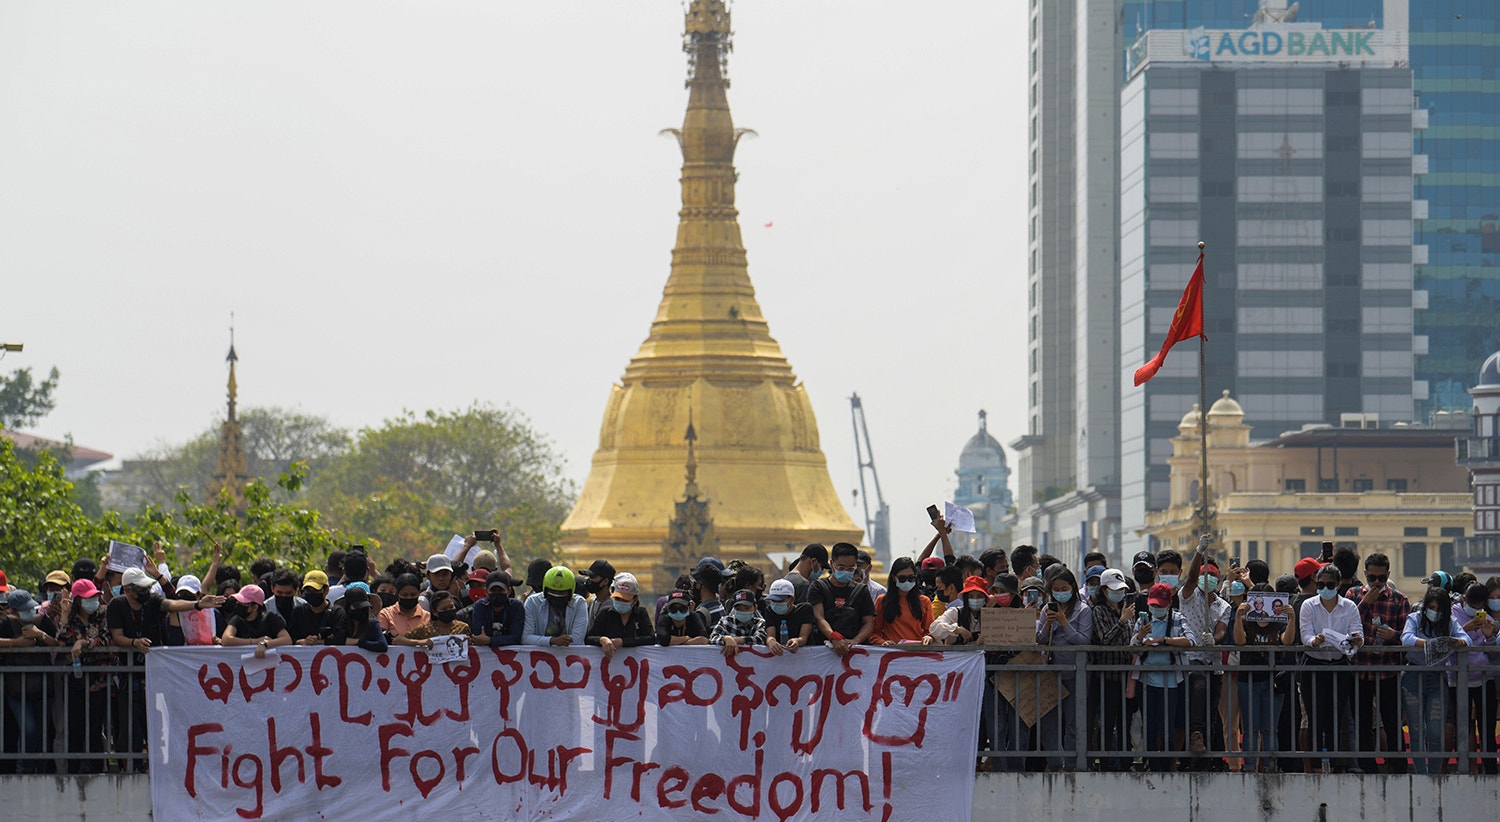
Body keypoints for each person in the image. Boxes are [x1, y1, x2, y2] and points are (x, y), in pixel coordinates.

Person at [1344, 552, 1409, 774]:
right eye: (1372, 578)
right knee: (1362, 723)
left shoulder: (1399, 600)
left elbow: (1406, 637)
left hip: (1387, 671)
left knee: (1391, 722)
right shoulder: (1352, 595)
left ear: (1388, 575)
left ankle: (1398, 766)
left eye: (1381, 579)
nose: (1377, 583)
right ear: (1365, 575)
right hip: (1359, 670)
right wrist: (1364, 603)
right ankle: (1367, 766)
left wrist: (1393, 635)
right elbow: (1344, 627)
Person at [1299, 565, 1364, 773]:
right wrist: (1314, 640)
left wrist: (1356, 640)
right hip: (1314, 664)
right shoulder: (1309, 605)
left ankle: (1335, 765)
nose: (1324, 588)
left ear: (1338, 585)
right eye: (1320, 585)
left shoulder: (1349, 606)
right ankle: (1316, 767)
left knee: (1336, 719)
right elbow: (1305, 634)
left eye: (1329, 585)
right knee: (1315, 718)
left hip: (1339, 664)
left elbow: (1357, 633)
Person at [1175, 537, 1230, 767]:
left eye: (1213, 576)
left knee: (1210, 707)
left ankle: (1207, 758)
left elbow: (1221, 630)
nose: (1208, 579)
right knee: (1199, 691)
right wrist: (1198, 552)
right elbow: (1190, 578)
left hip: (1213, 663)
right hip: (1191, 660)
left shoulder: (1222, 606)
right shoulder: (1188, 596)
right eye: (1204, 575)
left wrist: (1213, 641)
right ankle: (1195, 738)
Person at [1402, 587, 1468, 773]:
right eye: (1431, 607)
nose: (1435, 612)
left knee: (1435, 731)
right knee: (1416, 730)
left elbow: (1466, 639)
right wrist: (1430, 645)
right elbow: (1406, 638)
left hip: (1438, 680)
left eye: (1439, 609)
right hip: (1413, 677)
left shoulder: (1450, 622)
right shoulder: (1414, 618)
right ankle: (1421, 774)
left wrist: (1457, 642)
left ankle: (1434, 775)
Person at [1131, 582, 1195, 772]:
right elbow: (1132, 647)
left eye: (1160, 605)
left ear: (1168, 604)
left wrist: (1162, 640)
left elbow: (1190, 640)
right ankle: (1153, 766)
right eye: (1153, 605)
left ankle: (1167, 768)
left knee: (1166, 730)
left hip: (1170, 683)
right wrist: (1140, 637)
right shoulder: (1143, 621)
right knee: (1149, 728)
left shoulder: (1177, 619)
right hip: (1146, 681)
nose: (1156, 609)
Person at [1233, 583, 1296, 773]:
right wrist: (1238, 616)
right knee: (1250, 727)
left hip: (1273, 681)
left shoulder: (1279, 621)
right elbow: (1239, 641)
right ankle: (1250, 766)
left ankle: (1270, 765)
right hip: (1248, 679)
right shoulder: (1247, 620)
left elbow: (1287, 641)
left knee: (1270, 727)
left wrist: (1292, 618)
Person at [1037, 565, 1092, 771]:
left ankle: (1072, 766)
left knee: (1073, 723)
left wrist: (1065, 623)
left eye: (1064, 588)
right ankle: (1055, 763)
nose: (1061, 593)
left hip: (1075, 673)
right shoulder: (1046, 609)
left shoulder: (1084, 610)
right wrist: (1048, 625)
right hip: (1052, 672)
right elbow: (1040, 640)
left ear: (1073, 587)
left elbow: (1083, 641)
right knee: (1050, 724)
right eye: (1056, 589)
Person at [54, 579, 110, 773]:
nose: (93, 601)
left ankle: (98, 772)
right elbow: (61, 641)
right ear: (78, 601)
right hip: (75, 682)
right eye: (88, 598)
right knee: (75, 730)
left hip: (98, 682)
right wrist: (64, 614)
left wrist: (85, 643)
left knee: (95, 730)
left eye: (94, 597)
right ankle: (73, 773)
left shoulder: (102, 615)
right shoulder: (72, 620)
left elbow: (106, 638)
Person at [0, 589, 59, 772]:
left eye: (31, 608)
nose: (29, 613)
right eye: (24, 610)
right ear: (13, 611)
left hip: (43, 689)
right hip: (16, 690)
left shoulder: (41, 621)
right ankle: (23, 769)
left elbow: (58, 642)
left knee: (42, 732)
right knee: (29, 729)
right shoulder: (6, 624)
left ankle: (40, 770)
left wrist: (39, 634)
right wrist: (15, 643)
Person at [1089, 569, 1135, 772]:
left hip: (1127, 675)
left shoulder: (1127, 609)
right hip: (1108, 675)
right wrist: (1122, 621)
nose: (1118, 594)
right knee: (1107, 721)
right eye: (1114, 590)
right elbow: (1105, 639)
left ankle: (1127, 762)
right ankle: (1105, 762)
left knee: (1125, 721)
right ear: (1104, 590)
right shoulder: (1099, 611)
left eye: (1121, 590)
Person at [1452, 581, 1498, 773]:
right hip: (1457, 680)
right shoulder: (1453, 614)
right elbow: (1448, 641)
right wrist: (1466, 628)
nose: (1476, 610)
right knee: (1462, 726)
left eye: (1480, 607)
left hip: (1482, 677)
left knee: (1486, 725)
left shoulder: (1486, 619)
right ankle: (1466, 768)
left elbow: (1492, 654)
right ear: (1464, 599)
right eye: (1473, 606)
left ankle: (1490, 768)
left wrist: (1489, 637)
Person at [809, 543, 875, 656]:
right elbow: (819, 618)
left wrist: (855, 641)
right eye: (841, 567)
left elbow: (868, 623)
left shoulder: (861, 590)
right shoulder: (818, 587)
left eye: (851, 568)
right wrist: (834, 637)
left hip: (854, 652)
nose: (846, 571)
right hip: (823, 651)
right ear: (831, 564)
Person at [586, 574, 655, 657]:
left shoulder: (640, 613)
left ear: (634, 600)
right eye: (617, 599)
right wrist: (601, 640)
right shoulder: (606, 613)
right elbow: (589, 638)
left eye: (625, 600)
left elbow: (650, 638)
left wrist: (623, 642)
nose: (621, 602)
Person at [870, 557, 934, 646]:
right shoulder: (883, 601)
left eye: (911, 578)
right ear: (894, 578)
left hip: (918, 653)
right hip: (892, 653)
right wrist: (882, 642)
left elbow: (930, 630)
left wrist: (929, 637)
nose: (907, 582)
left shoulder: (924, 601)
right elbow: (874, 632)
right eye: (902, 578)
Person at [220, 585, 292, 659]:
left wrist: (265, 644)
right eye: (238, 602)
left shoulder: (269, 618)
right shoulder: (237, 619)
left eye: (243, 604)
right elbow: (226, 639)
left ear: (255, 607)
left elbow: (287, 639)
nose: (239, 605)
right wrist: (255, 641)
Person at [523, 566, 588, 647]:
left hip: (571, 657)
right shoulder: (532, 602)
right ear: (545, 591)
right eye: (552, 591)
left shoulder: (579, 603)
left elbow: (577, 639)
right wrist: (552, 641)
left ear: (570, 592)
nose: (557, 595)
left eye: (562, 593)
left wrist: (543, 641)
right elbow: (526, 637)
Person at [458, 571, 525, 647]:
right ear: (486, 591)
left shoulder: (516, 606)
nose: (497, 593)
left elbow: (516, 637)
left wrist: (490, 640)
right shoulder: (480, 606)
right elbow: (479, 636)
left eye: (500, 590)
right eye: (493, 590)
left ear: (509, 591)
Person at [288, 571, 348, 645]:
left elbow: (341, 638)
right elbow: (291, 638)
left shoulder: (337, 613)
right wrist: (303, 641)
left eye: (316, 591)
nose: (311, 594)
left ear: (326, 590)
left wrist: (319, 642)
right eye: (308, 591)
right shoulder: (298, 612)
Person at [760, 579, 813, 655]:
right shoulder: (770, 611)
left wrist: (797, 641)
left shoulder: (805, 610)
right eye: (773, 600)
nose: (775, 604)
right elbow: (770, 635)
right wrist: (771, 642)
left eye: (780, 601)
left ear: (791, 599)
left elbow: (803, 637)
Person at [399, 591, 469, 649]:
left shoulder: (463, 628)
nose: (449, 611)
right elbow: (398, 640)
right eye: (444, 609)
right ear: (435, 612)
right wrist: (421, 642)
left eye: (451, 607)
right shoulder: (425, 629)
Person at [710, 590, 767, 658]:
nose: (743, 612)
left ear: (755, 608)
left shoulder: (760, 623)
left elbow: (761, 639)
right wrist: (726, 639)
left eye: (747, 608)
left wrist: (737, 640)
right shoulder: (726, 621)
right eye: (738, 609)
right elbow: (713, 638)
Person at [378, 574, 431, 640]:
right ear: (397, 594)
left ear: (419, 593)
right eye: (405, 595)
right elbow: (382, 639)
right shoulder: (385, 614)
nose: (409, 597)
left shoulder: (427, 617)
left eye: (413, 594)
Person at [336, 587, 388, 652]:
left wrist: (358, 641)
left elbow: (382, 645)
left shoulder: (372, 624)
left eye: (364, 607)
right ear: (348, 608)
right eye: (357, 607)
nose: (361, 610)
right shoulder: (341, 623)